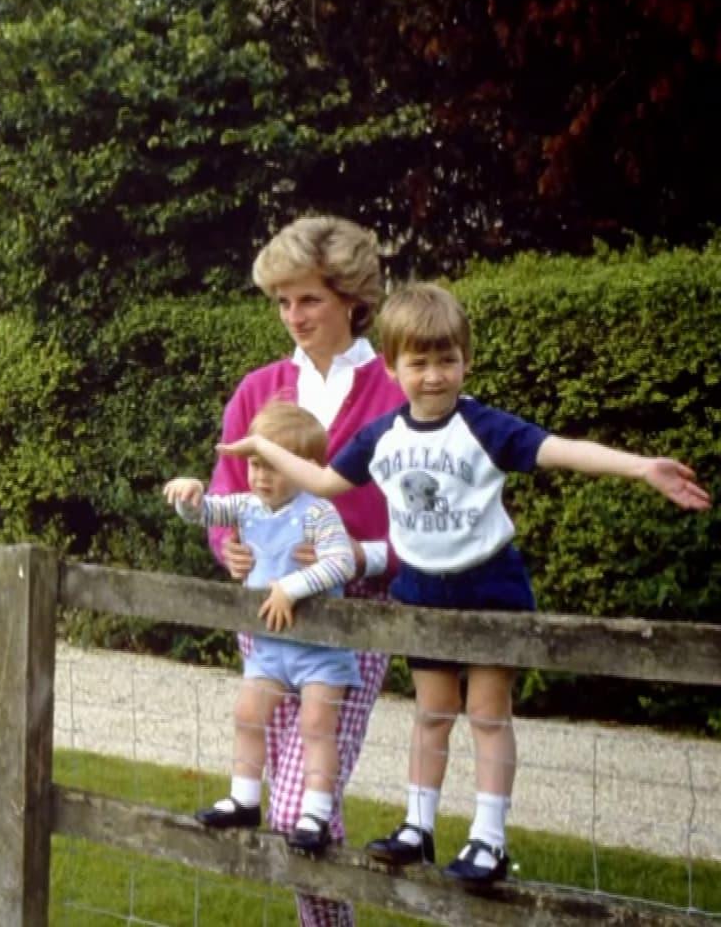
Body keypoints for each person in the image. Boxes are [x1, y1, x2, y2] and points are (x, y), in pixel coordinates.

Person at [220, 282, 710, 887]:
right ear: (394, 367)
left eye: (447, 360)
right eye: (419, 363)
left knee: (486, 714)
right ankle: (418, 828)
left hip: (489, 590)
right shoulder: (381, 436)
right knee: (432, 713)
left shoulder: (486, 427)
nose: (433, 376)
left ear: (466, 361)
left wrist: (642, 468)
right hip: (424, 591)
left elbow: (563, 451)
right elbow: (322, 484)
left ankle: (489, 838)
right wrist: (263, 446)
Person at [210, 216, 406, 926]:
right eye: (282, 301)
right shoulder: (259, 390)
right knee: (308, 811)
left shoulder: (395, 391)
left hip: (352, 621)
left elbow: (424, 525)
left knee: (295, 805)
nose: (293, 317)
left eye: (309, 300)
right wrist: (228, 547)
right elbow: (224, 494)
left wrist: (358, 556)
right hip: (266, 615)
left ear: (351, 297)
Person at [165, 403, 361, 854]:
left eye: (274, 467)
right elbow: (206, 513)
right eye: (255, 465)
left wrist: (291, 587)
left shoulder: (318, 512)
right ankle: (244, 797)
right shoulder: (248, 507)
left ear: (308, 469)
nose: (261, 477)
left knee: (316, 724)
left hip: (318, 648)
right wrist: (189, 496)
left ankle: (315, 813)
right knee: (247, 714)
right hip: (269, 646)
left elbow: (342, 561)